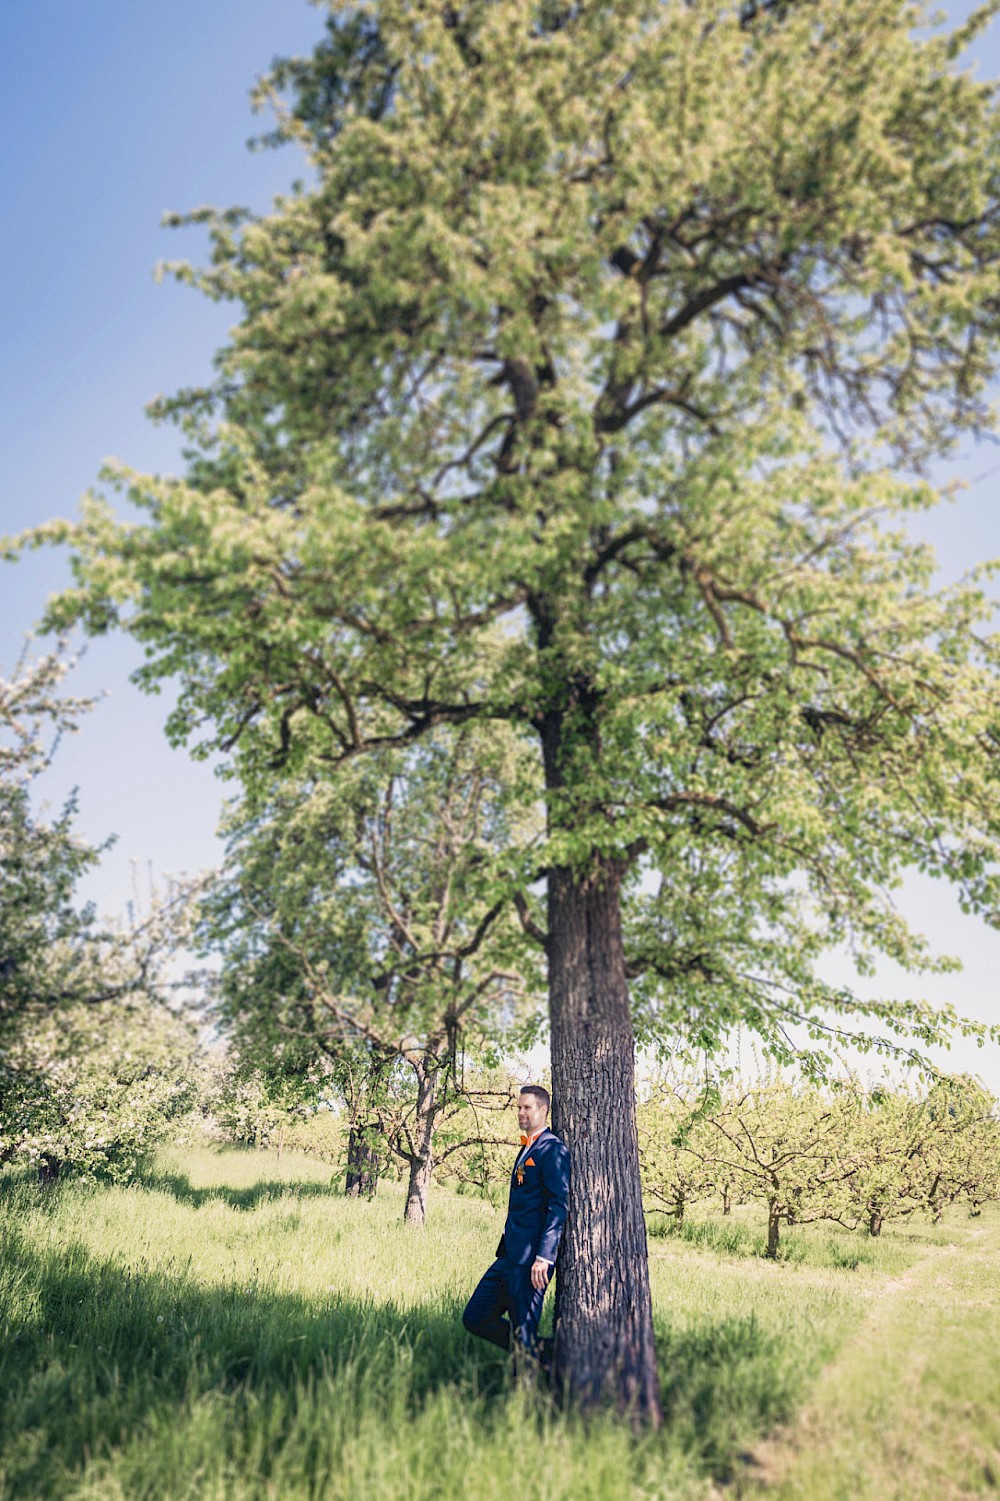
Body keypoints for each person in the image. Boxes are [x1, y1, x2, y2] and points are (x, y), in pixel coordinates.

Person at [461, 1083, 570, 1362]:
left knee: (524, 1333)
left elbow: (558, 1205)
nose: (521, 1112)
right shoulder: (527, 1147)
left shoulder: (552, 1149)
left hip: (532, 1263)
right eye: (518, 1107)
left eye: (527, 1107)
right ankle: (540, 1351)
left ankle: (533, 1379)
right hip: (509, 1257)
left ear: (543, 1110)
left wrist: (545, 1257)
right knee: (475, 1316)